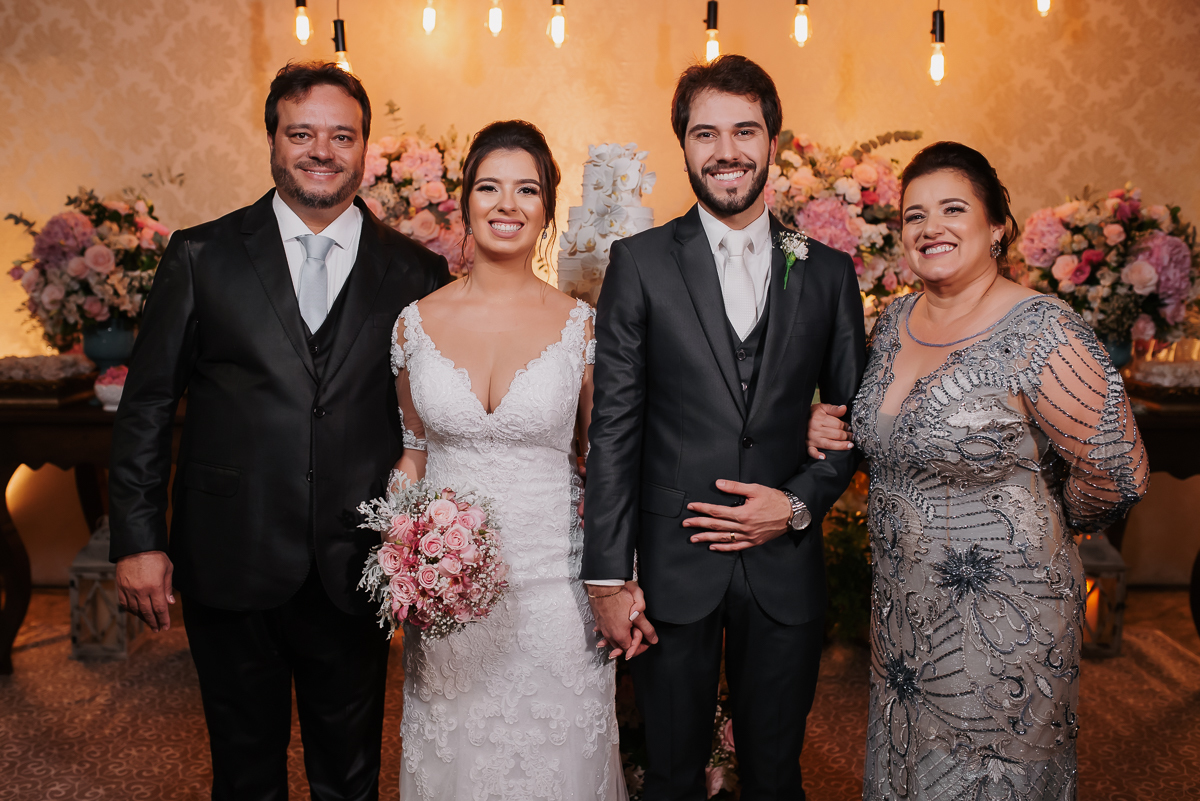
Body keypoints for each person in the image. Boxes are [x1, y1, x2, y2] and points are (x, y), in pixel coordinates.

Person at [108, 62, 450, 800]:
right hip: (229, 555)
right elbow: (146, 405)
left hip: (354, 560)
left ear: (365, 148)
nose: (321, 151)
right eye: (302, 133)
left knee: (351, 772)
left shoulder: (417, 272)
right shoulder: (202, 255)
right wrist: (138, 539)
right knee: (244, 770)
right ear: (272, 141)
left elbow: (432, 419)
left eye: (341, 136)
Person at [806, 141, 1149, 800]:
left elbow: (1118, 469)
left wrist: (1050, 522)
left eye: (952, 208)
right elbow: (874, 425)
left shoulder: (1044, 333)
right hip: (903, 617)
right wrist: (820, 423)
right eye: (914, 215)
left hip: (1005, 623)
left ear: (997, 228)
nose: (930, 227)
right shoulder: (893, 321)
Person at [583, 55, 867, 800]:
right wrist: (610, 576)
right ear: (682, 144)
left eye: (745, 130)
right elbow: (614, 428)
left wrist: (797, 502)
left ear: (775, 141)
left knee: (775, 774)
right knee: (671, 775)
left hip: (786, 565)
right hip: (672, 567)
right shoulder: (638, 264)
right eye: (706, 133)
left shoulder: (829, 272)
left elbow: (851, 421)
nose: (727, 150)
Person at [391, 119, 641, 800]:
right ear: (465, 201)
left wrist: (618, 579)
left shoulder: (581, 327)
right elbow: (413, 455)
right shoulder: (413, 323)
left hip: (555, 593)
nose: (507, 204)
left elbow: (606, 464)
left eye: (526, 189)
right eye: (490, 187)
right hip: (451, 604)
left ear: (547, 209)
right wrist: (403, 562)